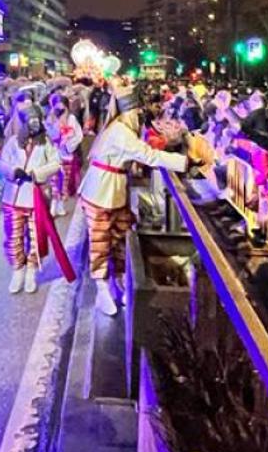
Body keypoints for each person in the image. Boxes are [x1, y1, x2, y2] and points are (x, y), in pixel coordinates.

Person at [77, 82, 189, 316]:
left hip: (115, 190)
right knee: (100, 241)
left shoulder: (122, 129)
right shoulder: (120, 132)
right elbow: (147, 154)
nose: (141, 115)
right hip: (100, 192)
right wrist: (183, 163)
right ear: (128, 110)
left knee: (121, 237)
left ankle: (120, 282)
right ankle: (102, 289)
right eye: (138, 111)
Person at [0, 105, 60, 295]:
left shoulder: (46, 143)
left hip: (36, 197)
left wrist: (38, 173)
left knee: (36, 236)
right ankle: (18, 270)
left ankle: (32, 271)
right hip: (14, 197)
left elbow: (56, 164)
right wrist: (12, 171)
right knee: (13, 236)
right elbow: (2, 163)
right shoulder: (13, 142)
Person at [47, 93, 84, 217]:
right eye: (57, 108)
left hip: (67, 155)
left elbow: (78, 136)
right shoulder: (51, 119)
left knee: (65, 182)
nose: (61, 111)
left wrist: (68, 144)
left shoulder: (72, 119)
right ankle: (54, 203)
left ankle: (61, 204)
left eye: (63, 109)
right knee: (54, 180)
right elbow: (48, 136)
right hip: (54, 156)